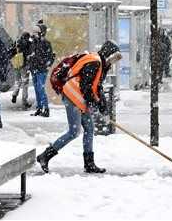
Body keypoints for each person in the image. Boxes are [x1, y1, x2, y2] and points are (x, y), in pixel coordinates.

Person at [36, 40, 122, 174]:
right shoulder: (95, 62)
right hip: (73, 96)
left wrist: (103, 107)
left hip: (79, 99)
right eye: (113, 57)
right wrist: (94, 103)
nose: (113, 61)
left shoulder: (99, 63)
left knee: (89, 128)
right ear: (108, 53)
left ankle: (89, 164)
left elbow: (96, 87)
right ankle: (45, 156)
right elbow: (86, 86)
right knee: (73, 132)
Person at [28, 24, 55, 117]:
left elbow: (51, 56)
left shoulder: (46, 43)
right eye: (33, 32)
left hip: (41, 69)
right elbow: (31, 54)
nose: (34, 34)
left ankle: (46, 108)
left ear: (41, 33)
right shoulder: (33, 42)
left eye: (36, 32)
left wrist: (46, 64)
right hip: (34, 68)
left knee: (41, 88)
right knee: (36, 89)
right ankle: (39, 108)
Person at [10, 31, 33, 109]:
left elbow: (11, 52)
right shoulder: (28, 43)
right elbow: (30, 54)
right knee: (25, 84)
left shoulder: (16, 42)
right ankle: (24, 101)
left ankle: (14, 94)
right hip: (24, 65)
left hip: (16, 64)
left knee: (17, 81)